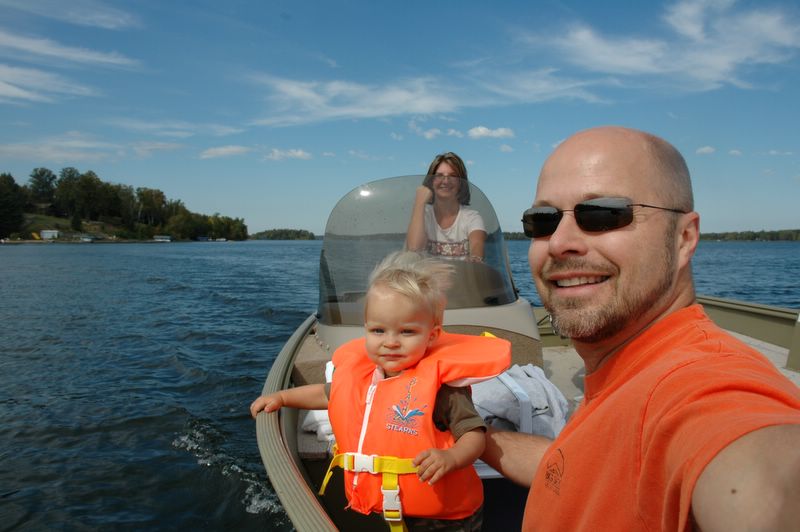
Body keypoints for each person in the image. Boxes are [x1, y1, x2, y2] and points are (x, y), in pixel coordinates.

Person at [481, 126, 800, 531]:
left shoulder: (699, 384)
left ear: (684, 238)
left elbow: (763, 479)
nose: (559, 242)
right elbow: (579, 468)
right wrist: (476, 435)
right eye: (542, 221)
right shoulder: (620, 374)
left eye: (602, 215)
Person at [251, 251, 510, 531]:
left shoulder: (444, 389)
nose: (391, 342)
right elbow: (327, 394)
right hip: (392, 506)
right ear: (365, 329)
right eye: (378, 331)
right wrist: (282, 398)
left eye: (406, 332)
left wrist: (451, 457)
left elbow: (474, 435)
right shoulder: (364, 376)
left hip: (445, 519)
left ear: (431, 335)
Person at [406, 152, 487, 261]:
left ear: (461, 182)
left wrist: (475, 258)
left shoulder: (472, 218)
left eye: (452, 176)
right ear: (431, 181)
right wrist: (419, 202)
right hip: (426, 273)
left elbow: (477, 246)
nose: (445, 181)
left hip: (461, 272)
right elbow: (414, 250)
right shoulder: (423, 215)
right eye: (439, 175)